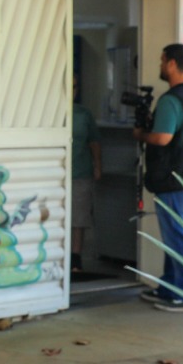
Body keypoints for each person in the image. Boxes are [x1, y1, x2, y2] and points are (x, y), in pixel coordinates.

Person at [132, 43, 183, 312]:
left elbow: (163, 138)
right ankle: (169, 287)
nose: (160, 65)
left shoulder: (171, 100)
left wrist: (141, 135)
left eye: (162, 60)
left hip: (176, 182)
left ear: (172, 64)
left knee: (180, 238)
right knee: (175, 237)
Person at [70, 75, 101, 274]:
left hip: (80, 171)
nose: (71, 91)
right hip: (58, 172)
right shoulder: (51, 113)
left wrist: (97, 165)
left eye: (74, 87)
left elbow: (94, 141)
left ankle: (75, 258)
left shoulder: (83, 114)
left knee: (79, 217)